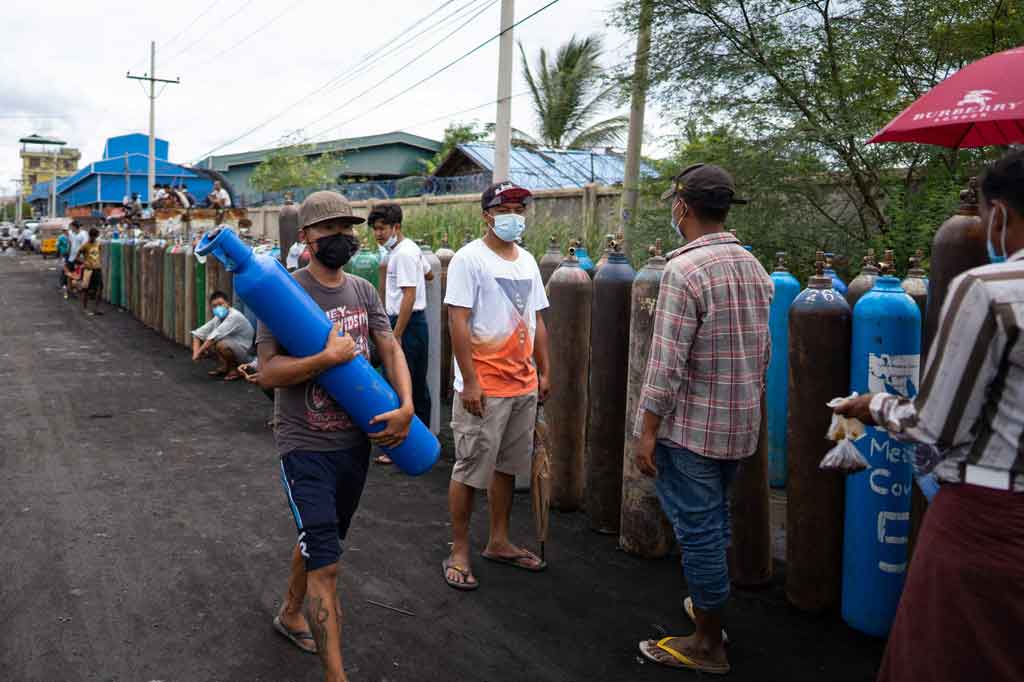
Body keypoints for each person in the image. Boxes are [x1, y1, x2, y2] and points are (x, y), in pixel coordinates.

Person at [835, 150, 1024, 682]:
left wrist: (873, 404)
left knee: (945, 658)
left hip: (990, 524)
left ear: (1000, 213)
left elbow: (934, 425)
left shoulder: (989, 288)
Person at [255, 191, 414, 682]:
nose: (341, 237)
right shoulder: (282, 294)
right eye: (329, 229)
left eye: (347, 228)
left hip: (353, 445)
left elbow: (389, 346)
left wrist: (407, 406)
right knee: (326, 565)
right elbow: (268, 372)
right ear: (306, 237)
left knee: (322, 539)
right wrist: (325, 359)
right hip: (304, 446)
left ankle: (290, 612)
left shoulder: (363, 291)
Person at [634, 164, 772, 675]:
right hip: (739, 425)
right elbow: (764, 352)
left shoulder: (684, 271)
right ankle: (709, 605)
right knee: (715, 522)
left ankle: (708, 643)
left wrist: (647, 430)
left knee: (698, 532)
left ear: (682, 207)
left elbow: (665, 363)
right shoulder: (753, 267)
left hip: (691, 430)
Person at [442, 181, 551, 591]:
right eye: (506, 209)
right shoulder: (469, 259)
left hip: (522, 383)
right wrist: (470, 381)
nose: (514, 217)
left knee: (507, 467)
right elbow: (457, 321)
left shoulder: (528, 261)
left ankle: (499, 541)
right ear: (487, 215)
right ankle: (459, 550)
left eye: (520, 209)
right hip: (484, 387)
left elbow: (537, 319)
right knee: (470, 468)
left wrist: (545, 371)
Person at [370, 203, 430, 465]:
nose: (378, 234)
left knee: (405, 384)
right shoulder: (408, 249)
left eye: (382, 228)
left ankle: (410, 445)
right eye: (375, 229)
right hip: (409, 321)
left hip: (406, 322)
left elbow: (409, 295)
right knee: (413, 382)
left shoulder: (403, 253)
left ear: (396, 227)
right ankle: (418, 441)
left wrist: (396, 334)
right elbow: (429, 273)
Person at [191, 290, 256, 381]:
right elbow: (198, 334)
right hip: (235, 347)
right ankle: (225, 366)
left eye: (220, 304)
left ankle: (234, 369)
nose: (218, 308)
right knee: (211, 341)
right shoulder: (218, 318)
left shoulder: (234, 316)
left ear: (228, 304)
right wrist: (195, 353)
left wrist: (199, 352)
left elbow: (213, 338)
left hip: (246, 354)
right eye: (214, 306)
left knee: (220, 344)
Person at [78, 227, 104, 316]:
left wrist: (99, 263)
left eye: (95, 237)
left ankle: (96, 308)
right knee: (86, 289)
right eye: (92, 237)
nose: (94, 238)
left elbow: (99, 253)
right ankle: (85, 308)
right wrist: (84, 262)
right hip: (88, 270)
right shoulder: (85, 245)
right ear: (90, 236)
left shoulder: (98, 243)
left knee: (100, 288)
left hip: (97, 269)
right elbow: (77, 257)